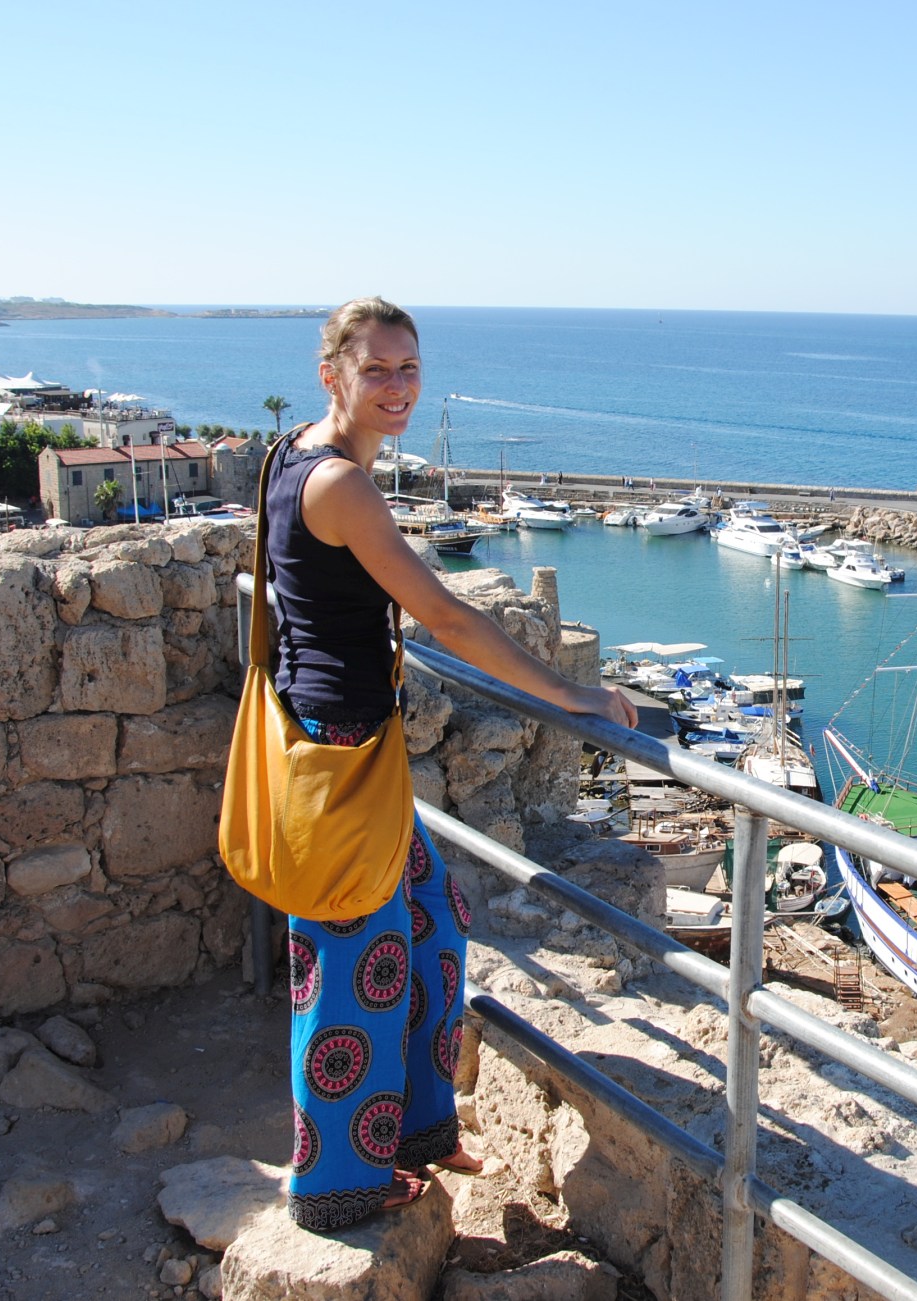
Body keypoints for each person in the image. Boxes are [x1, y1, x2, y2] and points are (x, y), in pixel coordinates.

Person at [263, 298, 638, 1233]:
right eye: (377, 369)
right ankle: (333, 1185)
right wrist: (574, 695)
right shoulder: (340, 485)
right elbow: (451, 619)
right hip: (337, 755)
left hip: (358, 748)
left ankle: (417, 1127)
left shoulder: (291, 455)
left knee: (432, 923)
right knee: (351, 967)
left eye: (409, 369)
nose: (396, 387)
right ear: (333, 374)